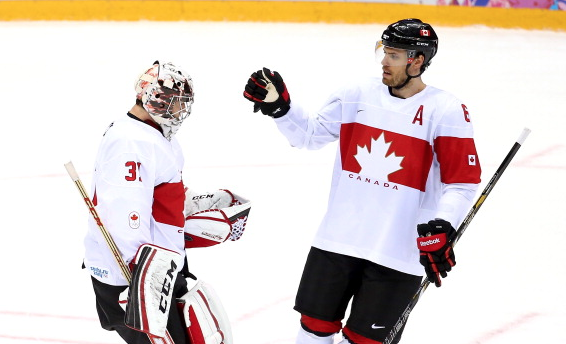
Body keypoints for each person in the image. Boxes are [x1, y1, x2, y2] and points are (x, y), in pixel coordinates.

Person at [243, 19, 482, 344]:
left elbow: (462, 181)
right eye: (384, 52)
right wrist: (281, 109)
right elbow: (310, 136)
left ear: (417, 60)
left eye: (394, 55)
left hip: (398, 255)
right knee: (312, 332)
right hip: (337, 241)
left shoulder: (446, 110)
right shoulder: (356, 94)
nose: (384, 61)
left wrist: (443, 225)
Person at [84, 60, 250, 344]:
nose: (180, 110)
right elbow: (126, 219)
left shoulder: (157, 135)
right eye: (175, 102)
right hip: (136, 277)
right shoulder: (130, 141)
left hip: (161, 266)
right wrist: (142, 282)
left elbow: (160, 202)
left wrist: (198, 209)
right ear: (155, 99)